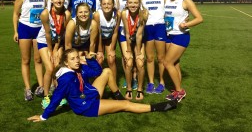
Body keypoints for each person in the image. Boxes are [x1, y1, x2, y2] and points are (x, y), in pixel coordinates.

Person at [27, 48, 178, 122]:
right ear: (66, 62)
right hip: (86, 106)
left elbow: (97, 71)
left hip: (91, 93)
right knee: (126, 105)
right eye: (72, 59)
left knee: (106, 71)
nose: (77, 61)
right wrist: (43, 116)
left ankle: (117, 97)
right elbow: (56, 98)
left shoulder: (79, 67)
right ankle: (158, 107)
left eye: (77, 58)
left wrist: (89, 59)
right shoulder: (66, 78)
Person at [163, 0, 203, 102]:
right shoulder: (167, 0)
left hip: (181, 36)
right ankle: (177, 89)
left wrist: (186, 24)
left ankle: (180, 91)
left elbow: (199, 18)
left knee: (167, 62)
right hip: (169, 34)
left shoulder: (186, 1)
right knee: (175, 63)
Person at [13, 0, 45, 101]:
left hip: (39, 30)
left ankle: (42, 86)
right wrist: (16, 31)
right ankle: (27, 89)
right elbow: (15, 14)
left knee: (38, 60)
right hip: (25, 29)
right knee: (26, 60)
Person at [36, 0, 71, 108]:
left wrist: (56, 48)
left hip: (57, 42)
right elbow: (47, 34)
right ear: (51, 0)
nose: (58, 1)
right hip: (44, 42)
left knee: (58, 67)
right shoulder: (46, 13)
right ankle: (46, 97)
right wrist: (51, 51)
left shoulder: (66, 14)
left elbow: (61, 33)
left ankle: (59, 95)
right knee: (50, 68)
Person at [116, 0, 143, 90]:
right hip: (124, 26)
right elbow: (117, 9)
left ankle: (135, 78)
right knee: (126, 56)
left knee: (136, 54)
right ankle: (129, 79)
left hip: (137, 27)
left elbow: (142, 8)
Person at [142, 0, 168, 94]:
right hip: (147, 28)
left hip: (160, 27)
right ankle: (151, 82)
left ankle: (162, 82)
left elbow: (171, 11)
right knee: (150, 58)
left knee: (161, 58)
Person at [121, 0, 148, 100]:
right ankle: (129, 88)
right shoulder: (124, 13)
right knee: (129, 62)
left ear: (139, 3)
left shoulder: (144, 13)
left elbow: (139, 35)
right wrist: (128, 50)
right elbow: (127, 33)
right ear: (127, 4)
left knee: (140, 63)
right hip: (126, 37)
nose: (133, 5)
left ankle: (140, 89)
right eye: (130, 2)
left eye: (136, 3)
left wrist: (138, 52)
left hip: (138, 38)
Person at [93, 0, 121, 81]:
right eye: (104, 4)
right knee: (99, 59)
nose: (106, 6)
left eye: (109, 4)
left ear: (113, 5)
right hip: (99, 39)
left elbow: (115, 32)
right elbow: (99, 33)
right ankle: (98, 82)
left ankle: (113, 83)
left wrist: (112, 49)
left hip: (109, 38)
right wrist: (100, 50)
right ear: (101, 5)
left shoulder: (117, 14)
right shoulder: (97, 15)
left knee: (111, 59)